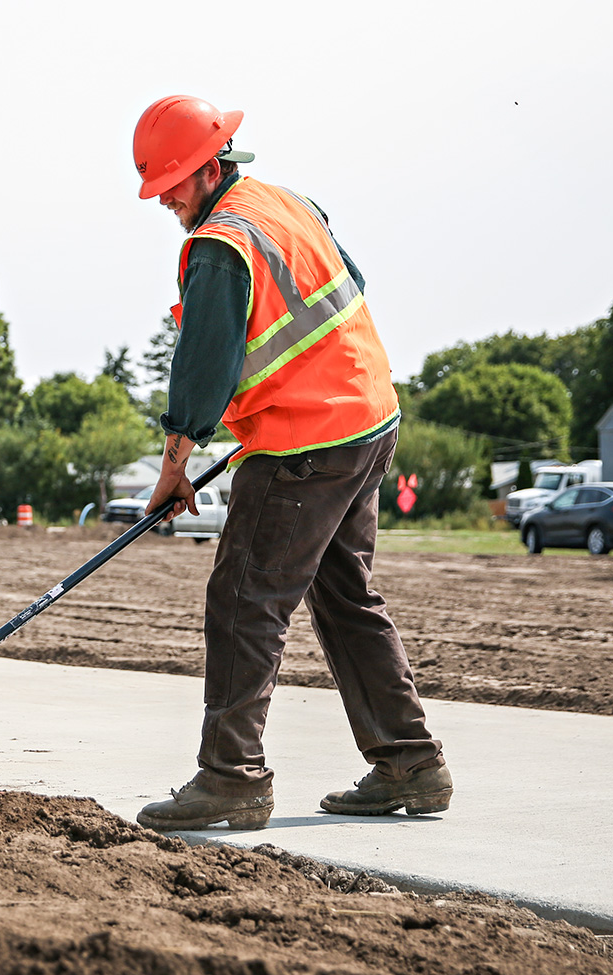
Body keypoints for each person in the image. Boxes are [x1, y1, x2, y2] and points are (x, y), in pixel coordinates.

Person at [130, 95, 449, 832]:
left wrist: (174, 463)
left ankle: (231, 778)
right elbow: (347, 292)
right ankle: (412, 762)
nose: (168, 199)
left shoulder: (220, 243)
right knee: (345, 596)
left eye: (175, 181)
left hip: (305, 444)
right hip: (368, 418)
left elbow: (203, 370)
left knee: (244, 600)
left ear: (213, 165)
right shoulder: (288, 205)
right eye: (159, 186)